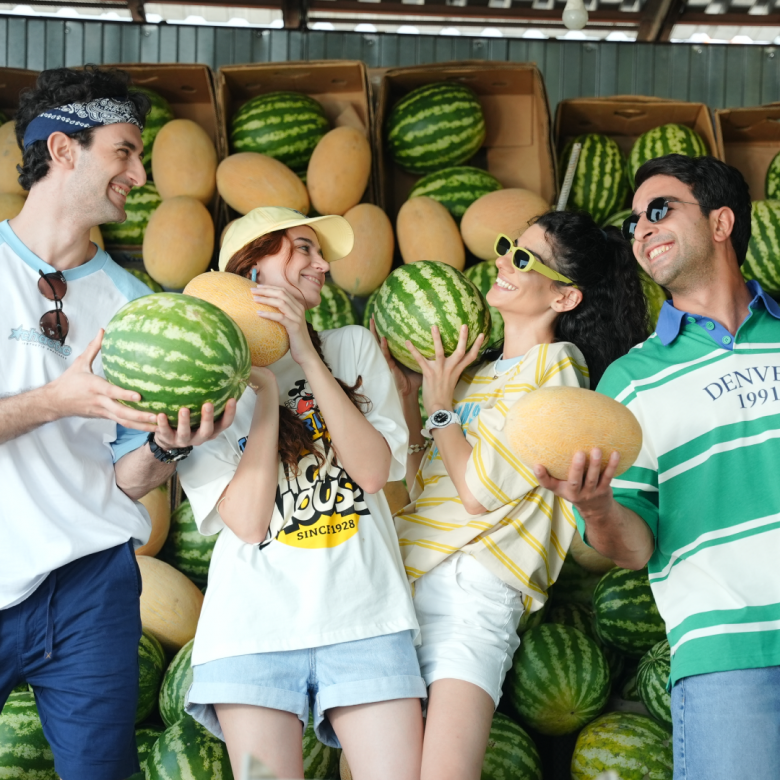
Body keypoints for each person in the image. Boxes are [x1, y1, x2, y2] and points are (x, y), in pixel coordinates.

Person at [0, 65, 235, 780]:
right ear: (63, 150)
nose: (139, 174)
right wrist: (55, 400)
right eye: (124, 151)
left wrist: (166, 446)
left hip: (91, 589)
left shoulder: (137, 307)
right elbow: (62, 405)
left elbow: (126, 481)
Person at [380, 211, 649, 780]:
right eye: (508, 246)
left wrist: (438, 405)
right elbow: (425, 486)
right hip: (403, 577)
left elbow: (478, 493)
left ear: (565, 297)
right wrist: (409, 398)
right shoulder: (471, 374)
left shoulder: (558, 370)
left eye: (523, 258)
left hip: (474, 592)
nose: (502, 260)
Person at [538, 154, 780, 780]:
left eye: (660, 209)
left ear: (721, 222)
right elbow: (634, 547)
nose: (641, 228)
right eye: (634, 222)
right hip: (725, 658)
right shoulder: (630, 381)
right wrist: (596, 508)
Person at [176, 206, 426, 780]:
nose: (323, 265)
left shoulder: (351, 346)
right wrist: (264, 393)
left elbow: (372, 472)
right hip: (251, 632)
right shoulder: (205, 389)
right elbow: (247, 523)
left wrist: (306, 357)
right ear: (252, 269)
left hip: (366, 621)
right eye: (304, 248)